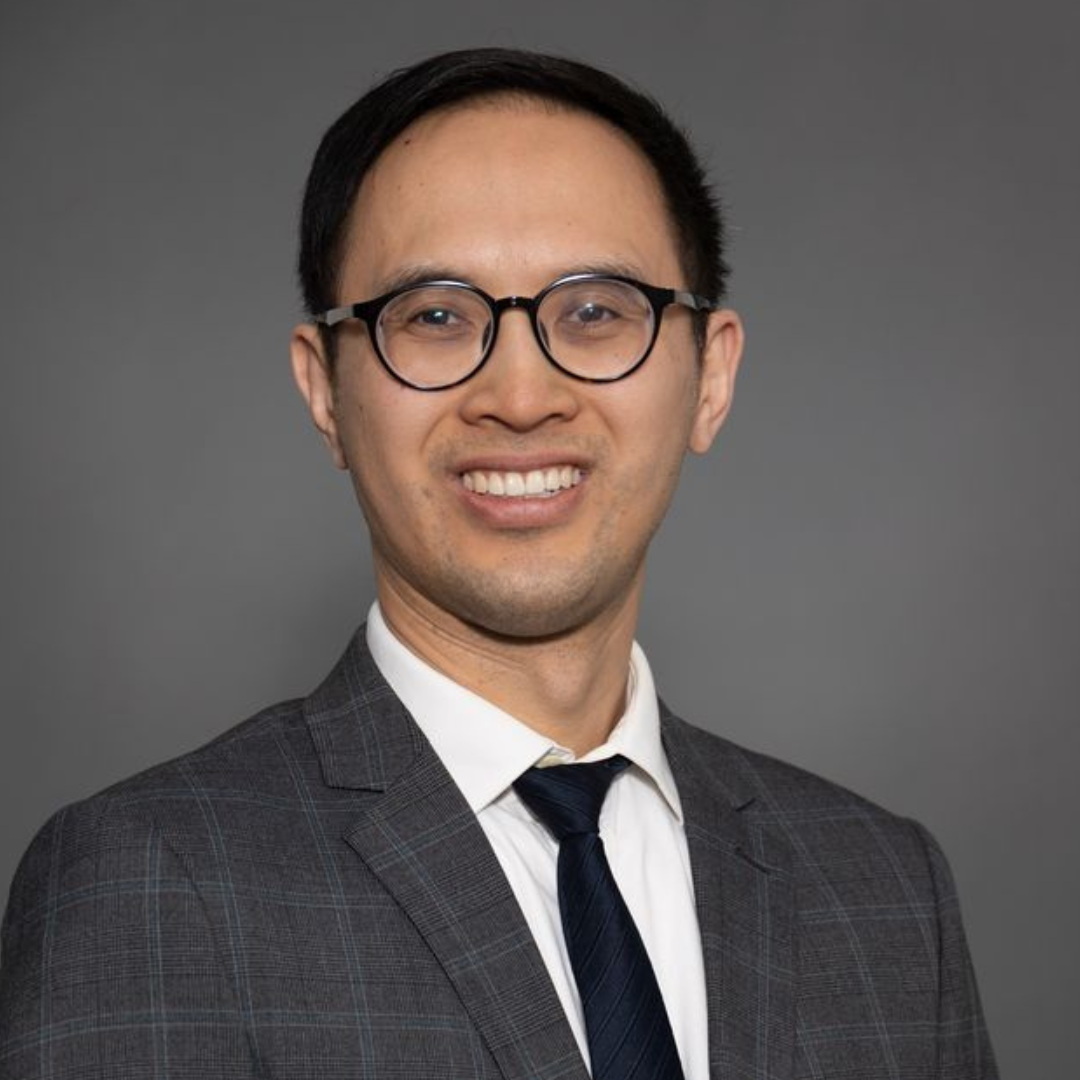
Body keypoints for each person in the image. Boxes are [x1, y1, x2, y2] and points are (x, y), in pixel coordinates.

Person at [0, 47, 997, 1079]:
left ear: (712, 375)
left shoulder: (884, 891)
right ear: (325, 392)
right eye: (435, 317)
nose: (521, 395)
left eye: (597, 310)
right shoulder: (151, 884)